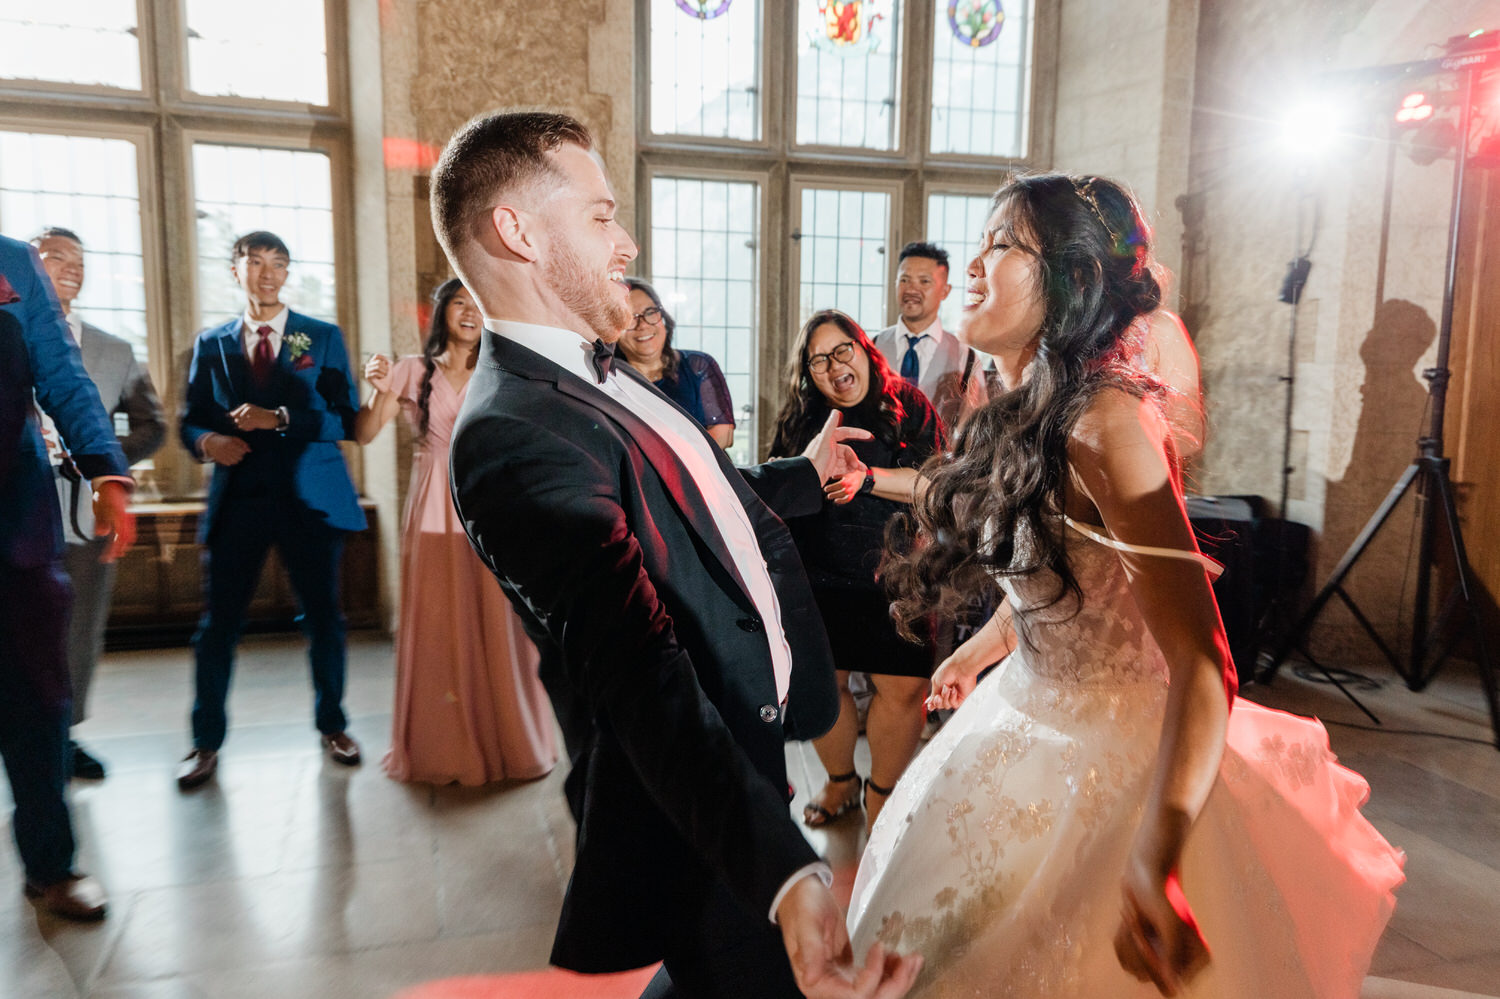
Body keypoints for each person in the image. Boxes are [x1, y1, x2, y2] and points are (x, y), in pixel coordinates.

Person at [845, 174, 1405, 997]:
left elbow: (1205, 660)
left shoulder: (1110, 425)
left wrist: (1157, 852)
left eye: (1002, 244)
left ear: (1073, 281)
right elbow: (1060, 575)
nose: (970, 264)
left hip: (1116, 760)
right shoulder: (1025, 407)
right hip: (1017, 721)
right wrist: (982, 646)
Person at [430, 110, 920, 999]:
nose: (627, 241)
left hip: (744, 740)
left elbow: (695, 500)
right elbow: (641, 674)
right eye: (601, 215)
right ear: (517, 230)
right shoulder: (510, 435)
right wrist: (789, 871)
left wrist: (802, 478)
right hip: (689, 789)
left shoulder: (591, 373)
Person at [176, 231, 367, 791]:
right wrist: (208, 443)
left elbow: (347, 420)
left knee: (326, 620)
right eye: (254, 262)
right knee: (217, 628)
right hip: (239, 504)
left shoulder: (321, 337)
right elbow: (192, 419)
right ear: (234, 270)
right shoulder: (211, 344)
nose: (266, 273)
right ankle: (205, 743)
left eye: (277, 264)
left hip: (311, 504)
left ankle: (333, 725)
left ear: (287, 273)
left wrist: (279, 417)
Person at [356, 278, 558, 785]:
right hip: (431, 516)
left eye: (478, 303)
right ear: (441, 311)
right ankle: (441, 746)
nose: (469, 312)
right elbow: (363, 433)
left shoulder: (504, 369)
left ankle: (509, 741)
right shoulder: (409, 370)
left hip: (494, 512)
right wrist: (378, 390)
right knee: (439, 628)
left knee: (502, 628)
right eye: (459, 303)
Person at [1, 232, 135, 920]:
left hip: (14, 527)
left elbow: (61, 373)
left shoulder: (13, 261)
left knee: (39, 699)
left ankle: (52, 865)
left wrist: (107, 469)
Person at [769, 310, 943, 834]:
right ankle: (842, 780)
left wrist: (866, 478)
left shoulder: (909, 405)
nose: (833, 366)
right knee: (827, 687)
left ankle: (883, 792)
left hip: (900, 576)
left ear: (864, 349)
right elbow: (781, 489)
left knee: (901, 690)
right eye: (817, 359)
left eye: (841, 349)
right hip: (817, 577)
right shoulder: (803, 419)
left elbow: (936, 486)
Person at [33, 226, 167, 781]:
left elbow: (152, 427)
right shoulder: (7, 334)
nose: (72, 266)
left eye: (80, 259)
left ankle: (65, 737)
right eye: (55, 255)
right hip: (15, 512)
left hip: (87, 517)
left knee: (79, 631)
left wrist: (99, 459)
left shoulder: (116, 350)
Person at [872, 242, 987, 432]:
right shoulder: (874, 347)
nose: (911, 289)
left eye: (924, 281)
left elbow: (976, 430)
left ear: (945, 291)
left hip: (939, 460)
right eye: (904, 280)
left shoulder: (965, 358)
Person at [617, 277, 736, 448]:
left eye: (650, 312)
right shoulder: (609, 380)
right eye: (630, 318)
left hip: (702, 472)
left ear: (663, 317)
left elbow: (723, 435)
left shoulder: (698, 366)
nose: (642, 325)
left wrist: (669, 465)